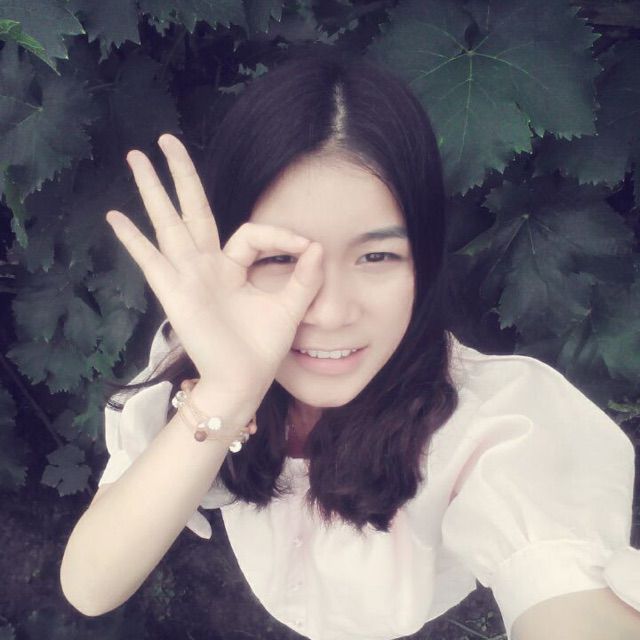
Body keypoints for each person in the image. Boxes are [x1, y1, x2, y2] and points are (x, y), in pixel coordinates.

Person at [60, 44, 640, 639]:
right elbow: (90, 586)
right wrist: (226, 396)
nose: (332, 312)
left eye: (377, 256)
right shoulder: (201, 364)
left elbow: (565, 593)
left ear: (424, 260)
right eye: (281, 257)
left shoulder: (494, 422)